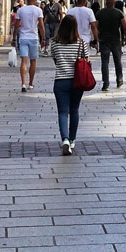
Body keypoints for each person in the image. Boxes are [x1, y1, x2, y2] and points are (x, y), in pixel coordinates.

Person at [50, 14, 88, 155]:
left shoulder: (54, 42)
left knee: (62, 112)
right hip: (77, 81)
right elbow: (86, 59)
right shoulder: (81, 43)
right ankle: (72, 140)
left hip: (60, 81)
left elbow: (55, 59)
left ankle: (65, 139)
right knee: (74, 110)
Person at [12, 0, 45, 93]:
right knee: (33, 61)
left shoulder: (21, 10)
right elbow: (41, 26)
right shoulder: (38, 10)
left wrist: (14, 38)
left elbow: (16, 25)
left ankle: (23, 83)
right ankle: (30, 83)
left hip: (23, 37)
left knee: (24, 61)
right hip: (34, 38)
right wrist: (43, 38)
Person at [96, 0, 126, 90]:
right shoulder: (119, 13)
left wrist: (97, 37)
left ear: (106, 3)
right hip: (116, 40)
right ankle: (119, 80)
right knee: (117, 61)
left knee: (104, 62)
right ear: (114, 3)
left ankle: (105, 83)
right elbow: (125, 27)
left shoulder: (100, 13)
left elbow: (95, 26)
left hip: (104, 40)